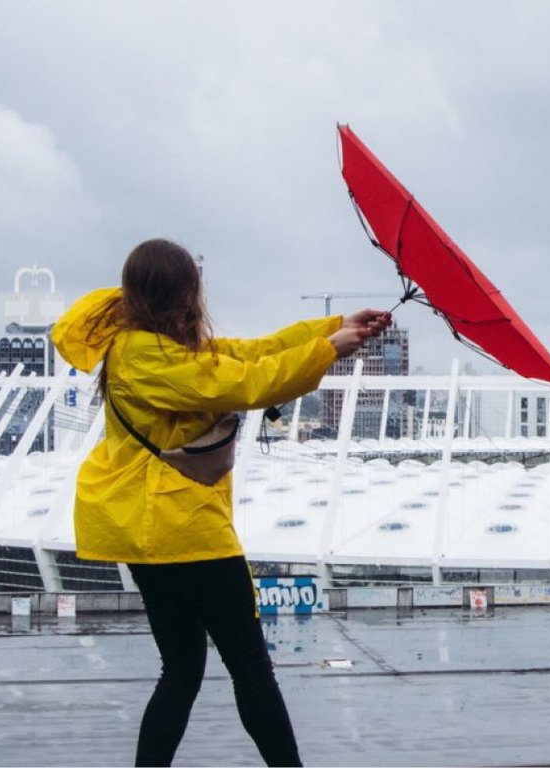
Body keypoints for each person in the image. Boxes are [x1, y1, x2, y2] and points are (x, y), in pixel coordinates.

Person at [51, 238, 389, 767]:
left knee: (182, 670)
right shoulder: (148, 357)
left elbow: (248, 353)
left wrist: (332, 326)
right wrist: (331, 350)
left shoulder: (150, 349)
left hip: (150, 537)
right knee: (251, 668)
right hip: (182, 529)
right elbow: (247, 381)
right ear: (183, 293)